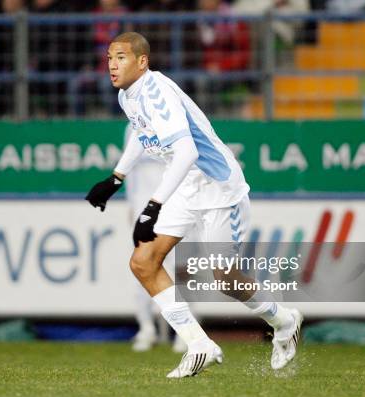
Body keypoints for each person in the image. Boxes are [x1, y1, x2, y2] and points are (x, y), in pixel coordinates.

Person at [85, 32, 302, 378]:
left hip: (219, 190)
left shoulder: (157, 93)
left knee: (225, 280)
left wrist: (152, 206)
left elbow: (188, 152)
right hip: (187, 188)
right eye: (110, 57)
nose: (112, 64)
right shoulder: (129, 96)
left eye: (121, 57)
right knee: (143, 262)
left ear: (143, 61)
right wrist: (116, 178)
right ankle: (198, 344)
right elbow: (143, 135)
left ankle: (284, 319)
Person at [124, 123, 188, 354]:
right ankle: (146, 328)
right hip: (144, 209)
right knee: (142, 267)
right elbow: (129, 169)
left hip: (173, 207)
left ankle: (184, 332)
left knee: (178, 269)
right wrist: (131, 204)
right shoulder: (133, 126)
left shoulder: (177, 122)